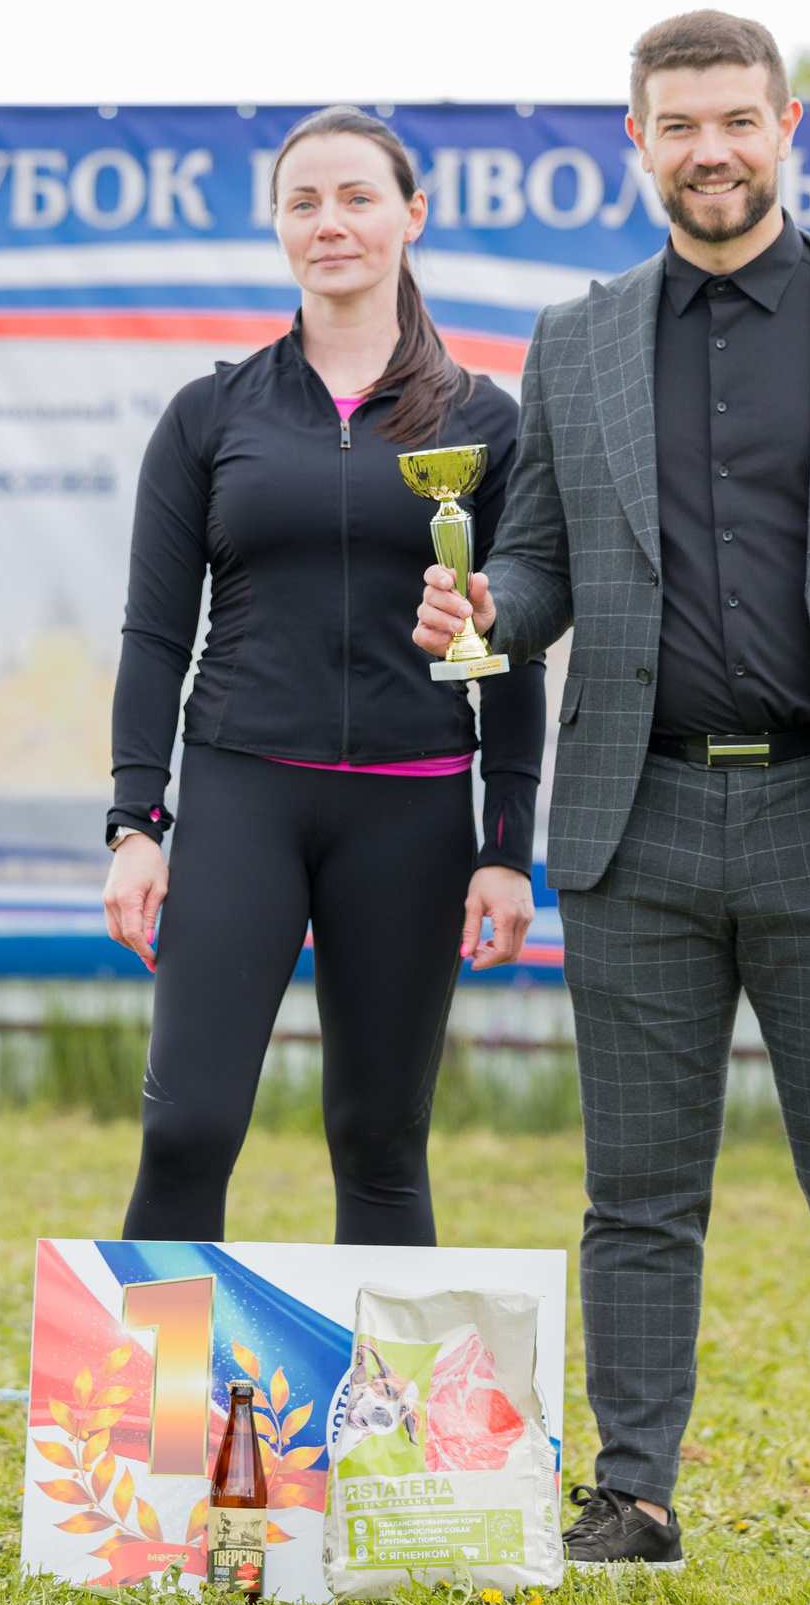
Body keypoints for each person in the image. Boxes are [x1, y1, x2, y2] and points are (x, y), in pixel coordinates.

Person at [413, 12, 810, 1603]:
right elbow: (544, 558)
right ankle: (632, 1499)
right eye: (678, 123)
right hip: (639, 822)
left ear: (788, 127)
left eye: (736, 121)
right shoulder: (578, 339)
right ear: (637, 138)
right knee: (637, 1192)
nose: (710, 149)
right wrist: (488, 603)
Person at [105, 105, 547, 1247]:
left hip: (411, 806)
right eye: (303, 202)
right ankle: (152, 1426)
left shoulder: (485, 423)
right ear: (277, 229)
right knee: (188, 1127)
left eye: (356, 198)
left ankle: (387, 1430)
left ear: (412, 216)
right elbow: (155, 636)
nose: (330, 224)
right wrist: (135, 823)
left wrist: (505, 850)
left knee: (379, 1139)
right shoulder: (208, 416)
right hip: (243, 789)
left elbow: (508, 645)